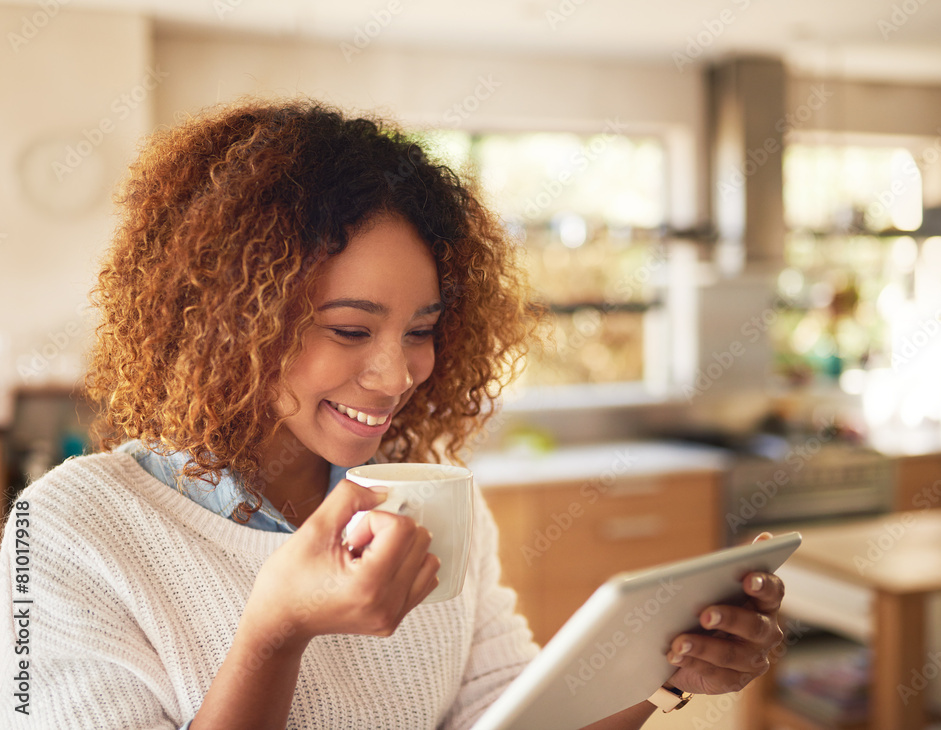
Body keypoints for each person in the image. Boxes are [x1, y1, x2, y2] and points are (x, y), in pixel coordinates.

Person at [0, 99, 785, 729]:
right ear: (224, 320)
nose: (397, 371)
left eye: (422, 330)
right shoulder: (68, 530)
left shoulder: (434, 504)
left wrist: (664, 673)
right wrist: (275, 633)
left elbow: (505, 716)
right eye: (349, 329)